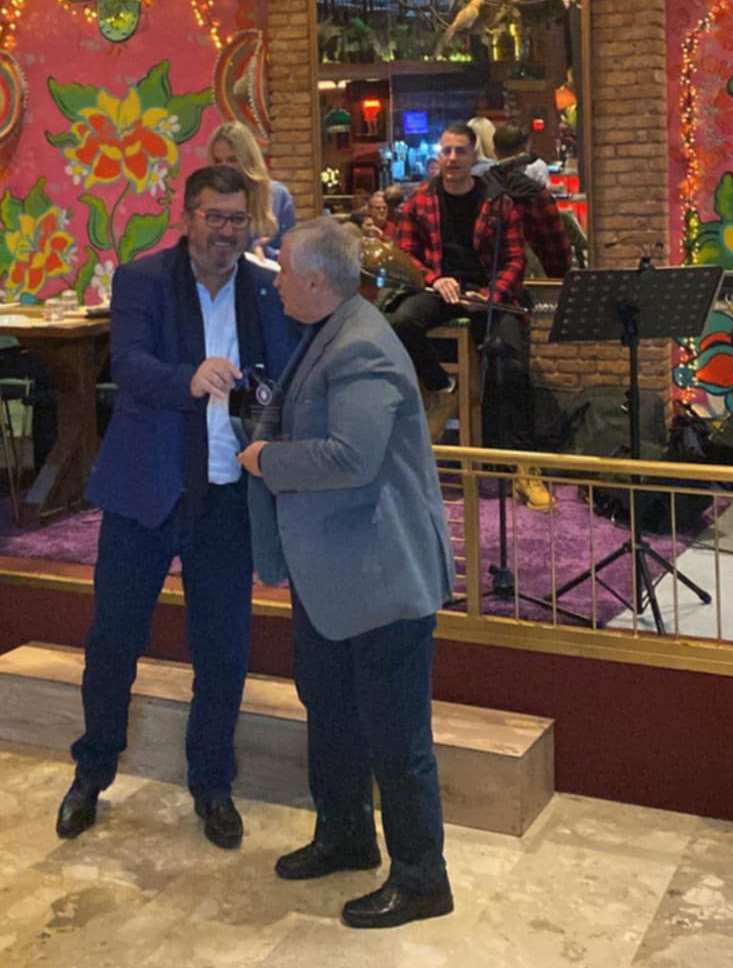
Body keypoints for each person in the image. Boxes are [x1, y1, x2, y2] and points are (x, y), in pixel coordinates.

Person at [55, 165, 298, 846]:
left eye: (237, 219)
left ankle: (212, 785)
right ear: (186, 216)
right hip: (146, 491)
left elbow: (285, 374)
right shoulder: (142, 280)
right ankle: (91, 772)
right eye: (214, 217)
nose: (226, 231)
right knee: (113, 641)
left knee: (223, 651)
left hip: (227, 497)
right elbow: (128, 366)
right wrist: (188, 378)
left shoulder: (265, 287)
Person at [237, 218, 456, 930]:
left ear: (315, 280)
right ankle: (346, 835)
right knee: (331, 713)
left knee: (396, 738)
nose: (275, 283)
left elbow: (351, 458)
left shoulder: (362, 344)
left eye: (282, 271)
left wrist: (267, 460)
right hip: (332, 575)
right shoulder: (327, 329)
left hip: (379, 576)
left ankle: (422, 879)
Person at [391, 121, 552, 510]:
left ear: (474, 156)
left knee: (511, 363)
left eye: (460, 151)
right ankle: (442, 388)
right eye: (446, 151)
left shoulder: (497, 201)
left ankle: (523, 467)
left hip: (487, 293)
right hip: (441, 291)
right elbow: (404, 257)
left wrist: (491, 295)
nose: (452, 158)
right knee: (401, 323)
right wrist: (434, 279)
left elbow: (514, 260)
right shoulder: (419, 201)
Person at [492, 123, 571, 278]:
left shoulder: (483, 190)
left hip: (492, 281)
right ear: (525, 150)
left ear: (494, 151)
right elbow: (558, 252)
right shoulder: (538, 196)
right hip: (535, 283)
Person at [207, 121, 295, 258]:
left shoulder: (277, 196)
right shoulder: (208, 199)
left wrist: (265, 253)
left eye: (232, 159)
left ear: (248, 160)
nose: (225, 167)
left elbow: (290, 257)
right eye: (218, 161)